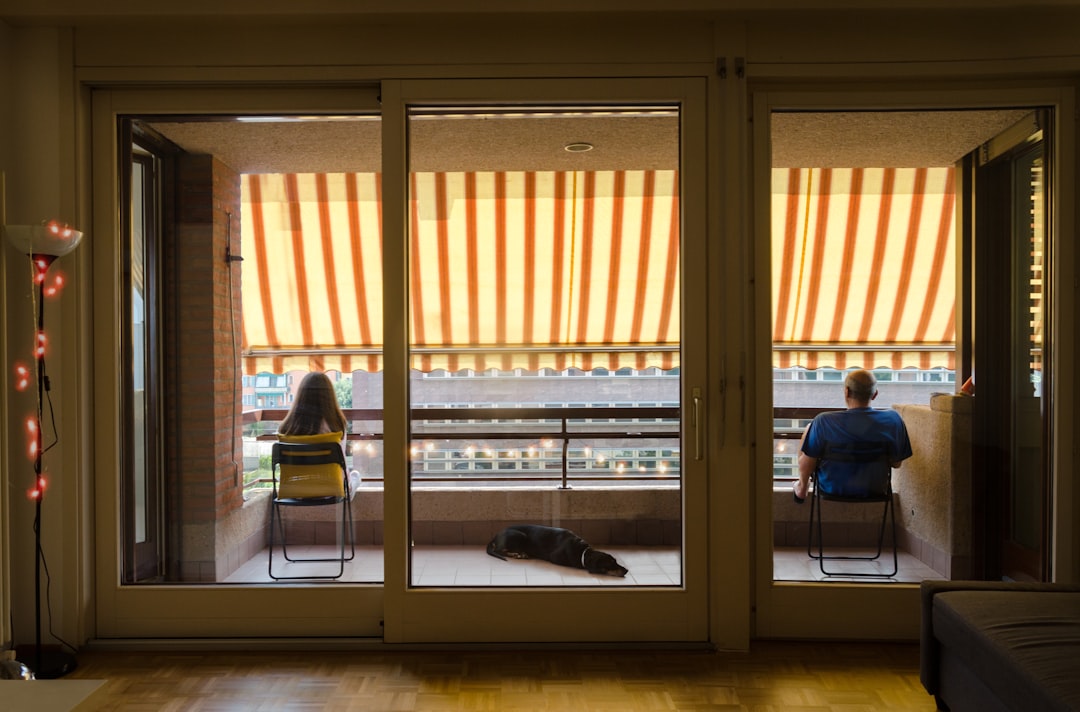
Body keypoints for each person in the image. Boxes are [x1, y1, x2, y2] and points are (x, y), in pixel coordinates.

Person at [792, 369, 912, 503]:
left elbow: (808, 461)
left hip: (831, 488)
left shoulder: (824, 422)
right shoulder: (893, 420)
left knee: (810, 428)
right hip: (875, 489)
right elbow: (896, 463)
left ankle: (802, 488)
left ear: (846, 392)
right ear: (875, 394)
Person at [279, 371, 348, 438]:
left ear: (301, 396)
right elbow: (340, 449)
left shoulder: (286, 429)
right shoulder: (338, 426)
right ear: (329, 396)